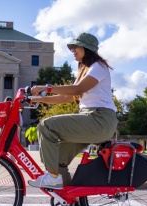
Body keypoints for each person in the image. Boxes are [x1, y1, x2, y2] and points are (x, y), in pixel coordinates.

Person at [28, 33, 118, 190]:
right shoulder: (85, 70)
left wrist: (46, 87)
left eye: (76, 47)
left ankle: (52, 177)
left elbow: (78, 89)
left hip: (100, 120)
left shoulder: (98, 67)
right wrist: (35, 99)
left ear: (86, 49)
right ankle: (71, 201)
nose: (73, 50)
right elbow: (65, 97)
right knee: (58, 160)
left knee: (46, 126)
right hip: (90, 120)